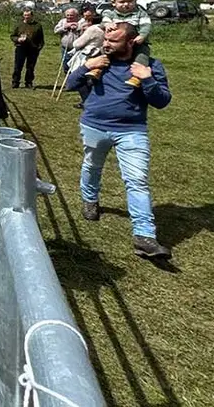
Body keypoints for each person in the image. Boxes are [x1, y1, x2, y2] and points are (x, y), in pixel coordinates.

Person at [65, 22, 172, 259]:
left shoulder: (150, 66)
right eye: (106, 40)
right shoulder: (99, 62)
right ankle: (90, 200)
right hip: (94, 125)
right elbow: (71, 85)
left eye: (113, 41)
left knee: (137, 180)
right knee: (92, 166)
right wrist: (86, 66)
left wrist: (147, 79)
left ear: (131, 42)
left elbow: (162, 101)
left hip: (132, 130)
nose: (106, 44)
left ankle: (144, 236)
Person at [88, 0, 153, 88]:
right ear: (114, 2)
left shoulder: (140, 13)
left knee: (142, 55)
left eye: (130, 1)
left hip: (136, 42)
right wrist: (107, 24)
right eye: (122, 2)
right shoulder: (111, 14)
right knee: (103, 51)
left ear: (135, 0)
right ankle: (97, 69)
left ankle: (137, 77)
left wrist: (142, 35)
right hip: (115, 44)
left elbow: (146, 25)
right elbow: (104, 21)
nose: (126, 4)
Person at [68, 11, 104, 108]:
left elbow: (77, 43)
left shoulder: (92, 29)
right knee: (92, 78)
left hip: (89, 55)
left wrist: (83, 33)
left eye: (88, 21)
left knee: (80, 77)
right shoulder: (104, 29)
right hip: (100, 55)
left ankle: (87, 101)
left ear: (91, 21)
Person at [10, 9, 45, 89]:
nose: (26, 17)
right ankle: (15, 82)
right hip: (20, 48)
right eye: (25, 15)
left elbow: (41, 39)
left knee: (30, 67)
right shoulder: (19, 25)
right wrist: (17, 39)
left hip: (33, 49)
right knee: (18, 66)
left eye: (28, 15)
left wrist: (38, 48)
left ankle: (28, 82)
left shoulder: (37, 25)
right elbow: (12, 36)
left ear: (32, 16)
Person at [53, 7, 81, 72]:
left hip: (77, 49)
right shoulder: (63, 21)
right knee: (65, 64)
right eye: (67, 15)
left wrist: (77, 27)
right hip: (65, 48)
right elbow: (55, 31)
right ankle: (67, 76)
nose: (69, 17)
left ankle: (73, 78)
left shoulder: (80, 22)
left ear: (76, 16)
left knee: (76, 65)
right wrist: (65, 27)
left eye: (71, 15)